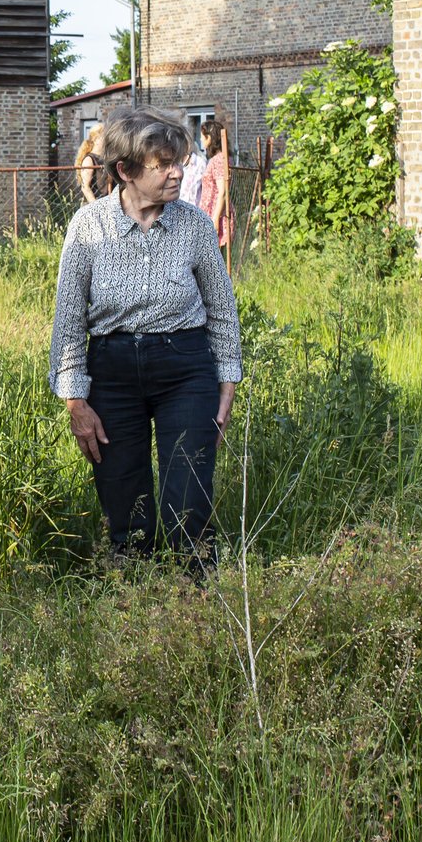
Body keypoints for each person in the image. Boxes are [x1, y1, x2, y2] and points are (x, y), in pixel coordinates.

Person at [48, 106, 242, 570]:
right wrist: (76, 402)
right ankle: (132, 604)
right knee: (124, 499)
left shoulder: (193, 225)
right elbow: (69, 320)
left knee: (189, 496)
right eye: (164, 165)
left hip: (186, 368)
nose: (178, 173)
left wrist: (227, 381)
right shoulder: (88, 227)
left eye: (179, 161)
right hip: (112, 373)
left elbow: (222, 308)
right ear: (125, 171)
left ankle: (194, 603)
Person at [198, 120, 232, 247]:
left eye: (202, 137)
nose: (201, 140)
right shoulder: (220, 158)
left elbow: (222, 191)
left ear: (210, 138)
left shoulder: (218, 160)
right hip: (211, 213)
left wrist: (215, 219)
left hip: (216, 214)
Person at [75, 123, 108, 204]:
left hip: (107, 204)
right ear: (95, 139)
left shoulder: (106, 159)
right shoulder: (89, 160)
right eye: (105, 137)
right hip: (93, 206)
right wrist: (96, 207)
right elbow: (85, 187)